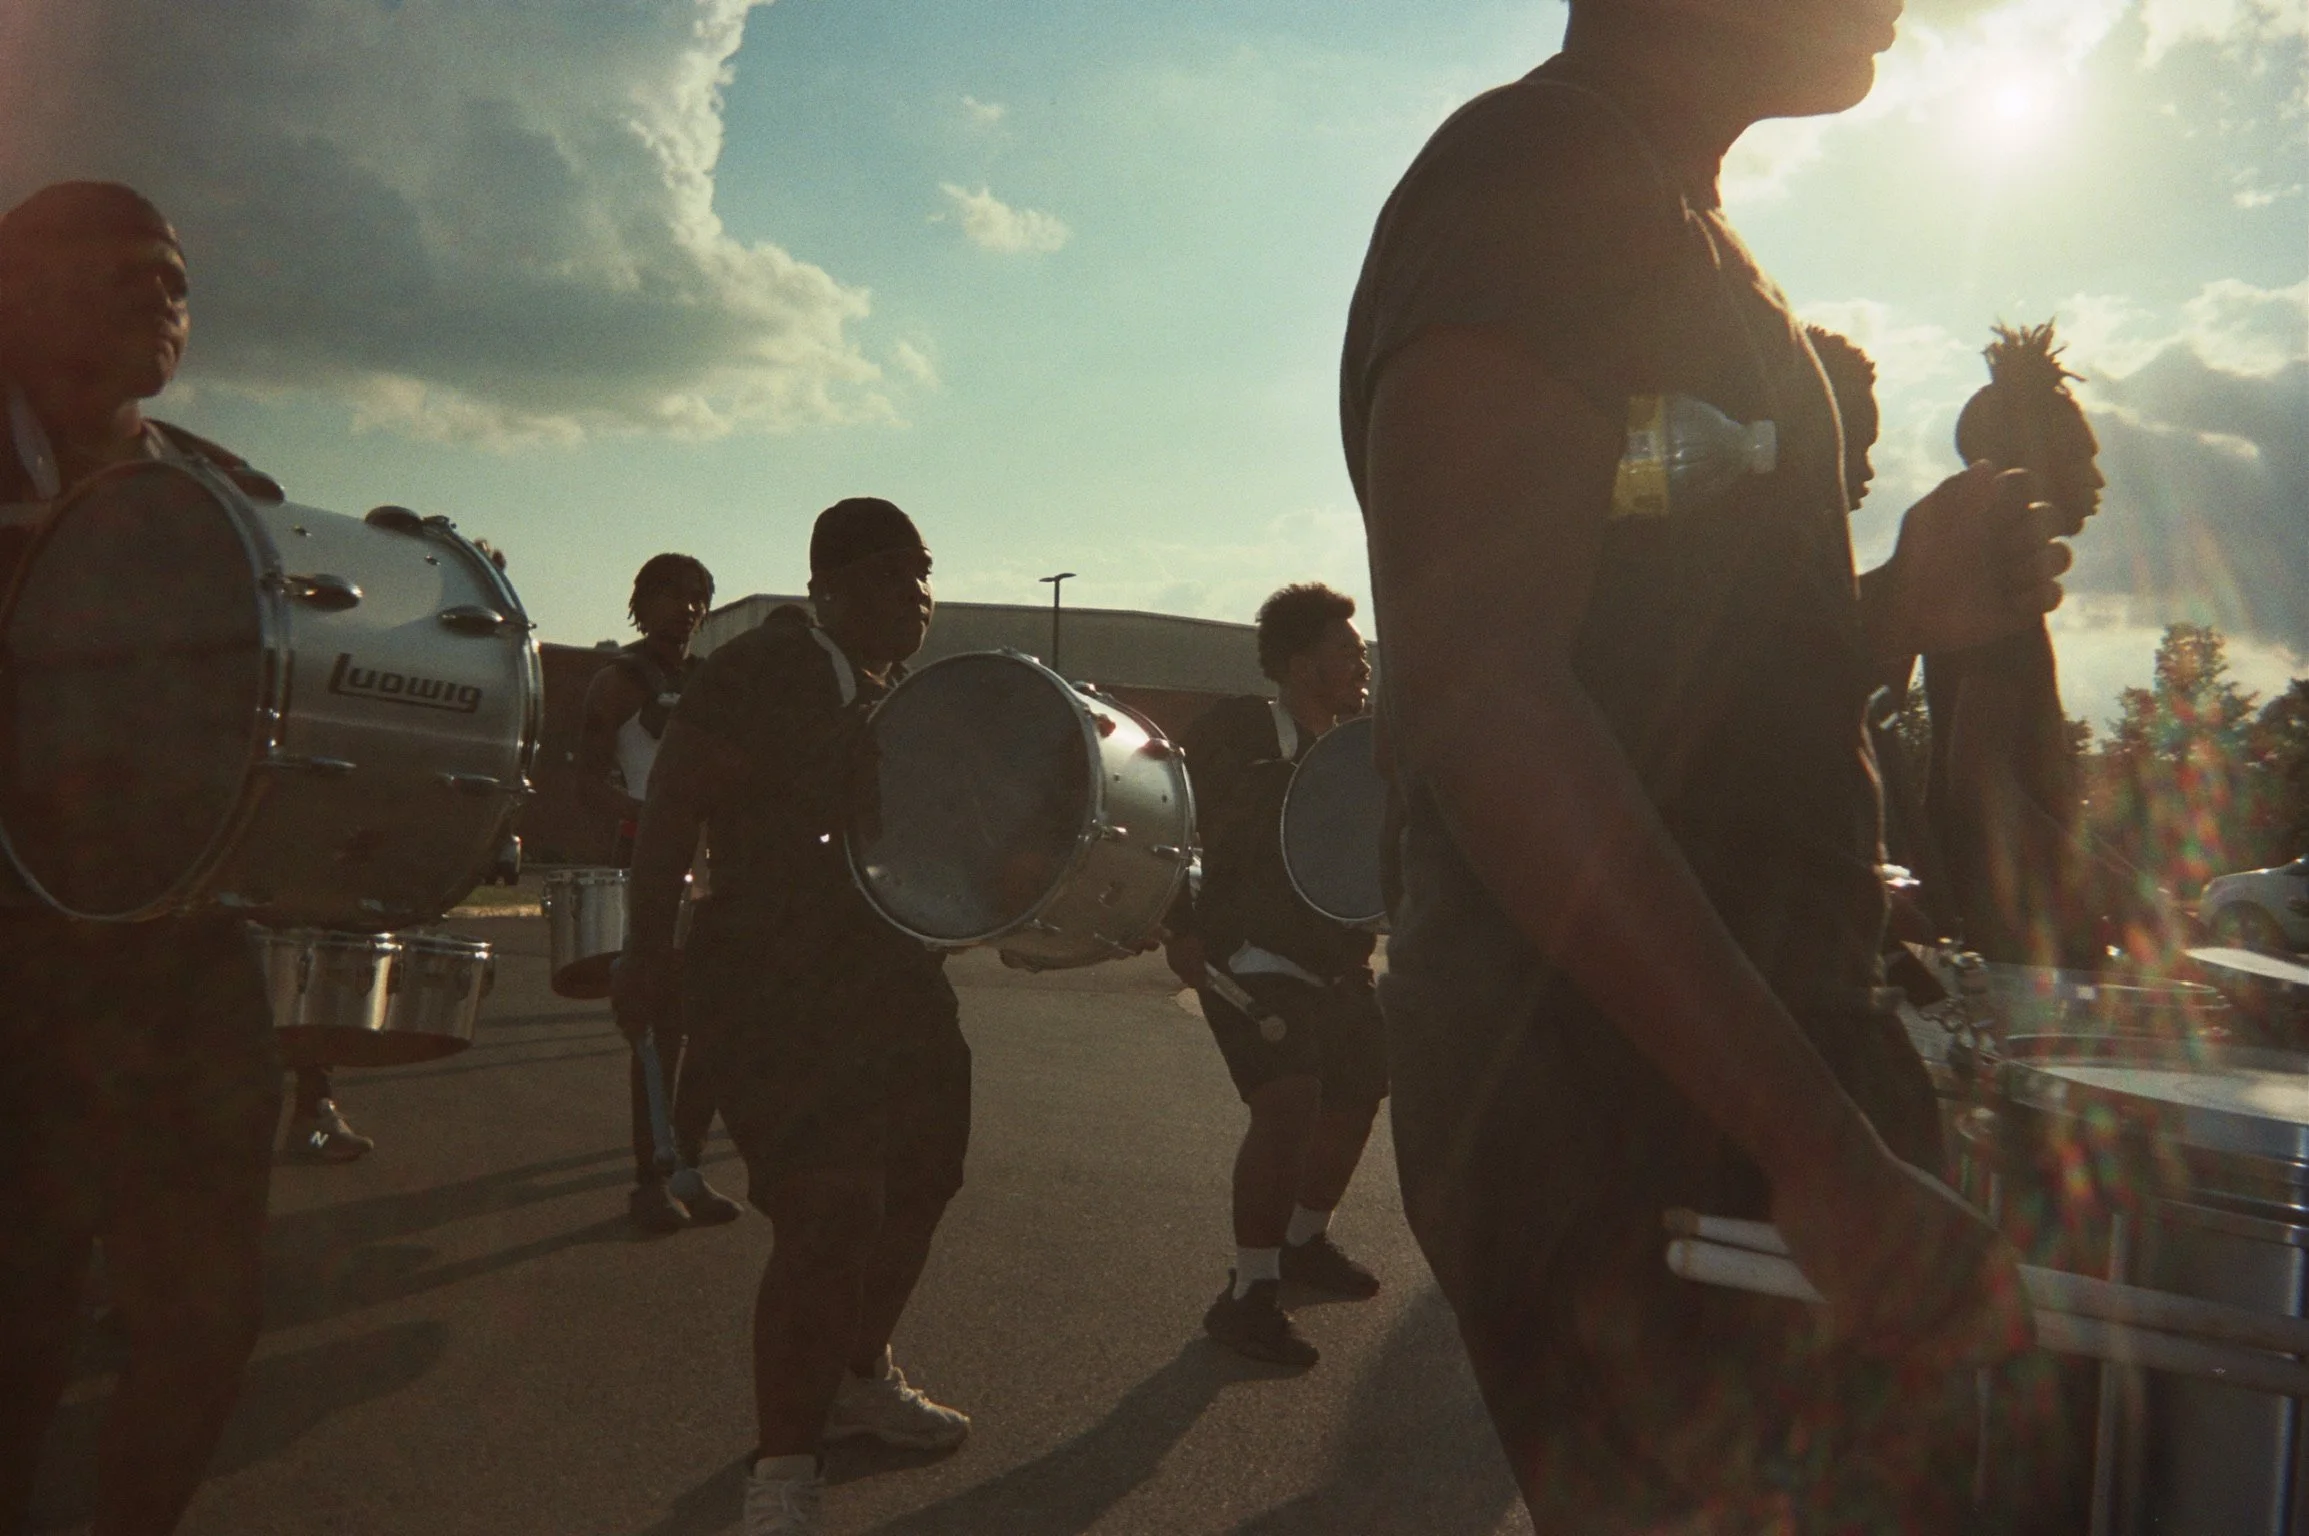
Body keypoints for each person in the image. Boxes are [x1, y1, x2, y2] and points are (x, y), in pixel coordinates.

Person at [1341, 2, 2071, 1527]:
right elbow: (1482, 695)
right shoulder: (1538, 174)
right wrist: (1822, 1155)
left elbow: (1678, 691)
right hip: (1634, 1122)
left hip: (1705, 1112)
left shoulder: (1675, 220)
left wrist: (1899, 615)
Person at [0, 182, 283, 1536]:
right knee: (18, 1329)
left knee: (204, 1323)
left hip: (179, 957)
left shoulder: (229, 498)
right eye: (117, 274)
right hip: (11, 955)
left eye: (172, 277)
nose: (159, 298)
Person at [614, 499, 971, 1536]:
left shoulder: (888, 691)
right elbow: (673, 800)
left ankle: (858, 1377)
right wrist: (644, 949)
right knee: (829, 1214)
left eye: (924, 573)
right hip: (774, 983)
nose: (916, 595)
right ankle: (783, 1479)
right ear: (831, 586)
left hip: (890, 981)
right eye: (895, 574)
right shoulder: (771, 667)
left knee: (923, 1178)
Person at [1162, 583, 1387, 1368]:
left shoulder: (1360, 744)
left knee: (1357, 1095)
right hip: (1252, 952)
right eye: (1344, 652)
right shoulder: (1243, 728)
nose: (1361, 663)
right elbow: (1181, 826)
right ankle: (1248, 1293)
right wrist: (1177, 925)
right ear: (1298, 665)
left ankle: (1301, 1243)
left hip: (1335, 961)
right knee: (1289, 1104)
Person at [1928, 320, 2106, 967]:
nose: (2097, 479)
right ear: (2035, 457)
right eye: (2083, 456)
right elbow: (1977, 781)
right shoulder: (1994, 595)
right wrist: (2100, 884)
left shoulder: (1989, 580)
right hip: (2016, 948)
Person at [577, 551, 742, 1231]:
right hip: (642, 861)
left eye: (700, 597)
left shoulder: (712, 683)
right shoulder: (616, 682)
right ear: (640, 603)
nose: (690, 609)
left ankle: (690, 1167)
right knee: (655, 1026)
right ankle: (649, 1180)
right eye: (673, 595)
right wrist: (648, 819)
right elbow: (588, 782)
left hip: (711, 868)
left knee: (710, 1027)